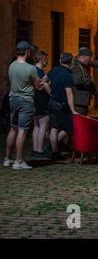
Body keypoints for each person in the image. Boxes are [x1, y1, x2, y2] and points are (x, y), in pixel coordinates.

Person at [3, 41, 43, 170]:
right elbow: (38, 86)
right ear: (27, 52)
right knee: (22, 131)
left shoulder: (12, 65)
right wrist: (42, 82)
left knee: (13, 129)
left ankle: (7, 158)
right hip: (26, 101)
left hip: (13, 99)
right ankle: (18, 160)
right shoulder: (30, 68)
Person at [47, 53, 79, 159]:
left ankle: (54, 151)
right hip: (61, 105)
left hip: (52, 102)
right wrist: (73, 110)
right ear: (70, 63)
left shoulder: (54, 70)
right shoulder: (68, 75)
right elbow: (69, 93)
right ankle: (53, 146)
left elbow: (43, 80)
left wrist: (50, 92)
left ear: (61, 61)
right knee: (70, 127)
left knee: (54, 127)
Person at [32, 51, 52, 159]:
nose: (47, 61)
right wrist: (50, 90)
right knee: (43, 125)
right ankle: (40, 150)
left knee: (36, 126)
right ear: (41, 59)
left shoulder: (32, 70)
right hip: (41, 100)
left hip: (34, 100)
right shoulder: (39, 72)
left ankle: (35, 149)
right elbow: (44, 87)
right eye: (46, 59)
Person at [71, 47, 98, 115]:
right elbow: (76, 81)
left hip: (81, 101)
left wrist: (96, 63)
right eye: (89, 58)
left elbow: (90, 63)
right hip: (79, 101)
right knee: (79, 122)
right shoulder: (77, 67)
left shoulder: (81, 65)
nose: (89, 60)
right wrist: (89, 81)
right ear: (83, 57)